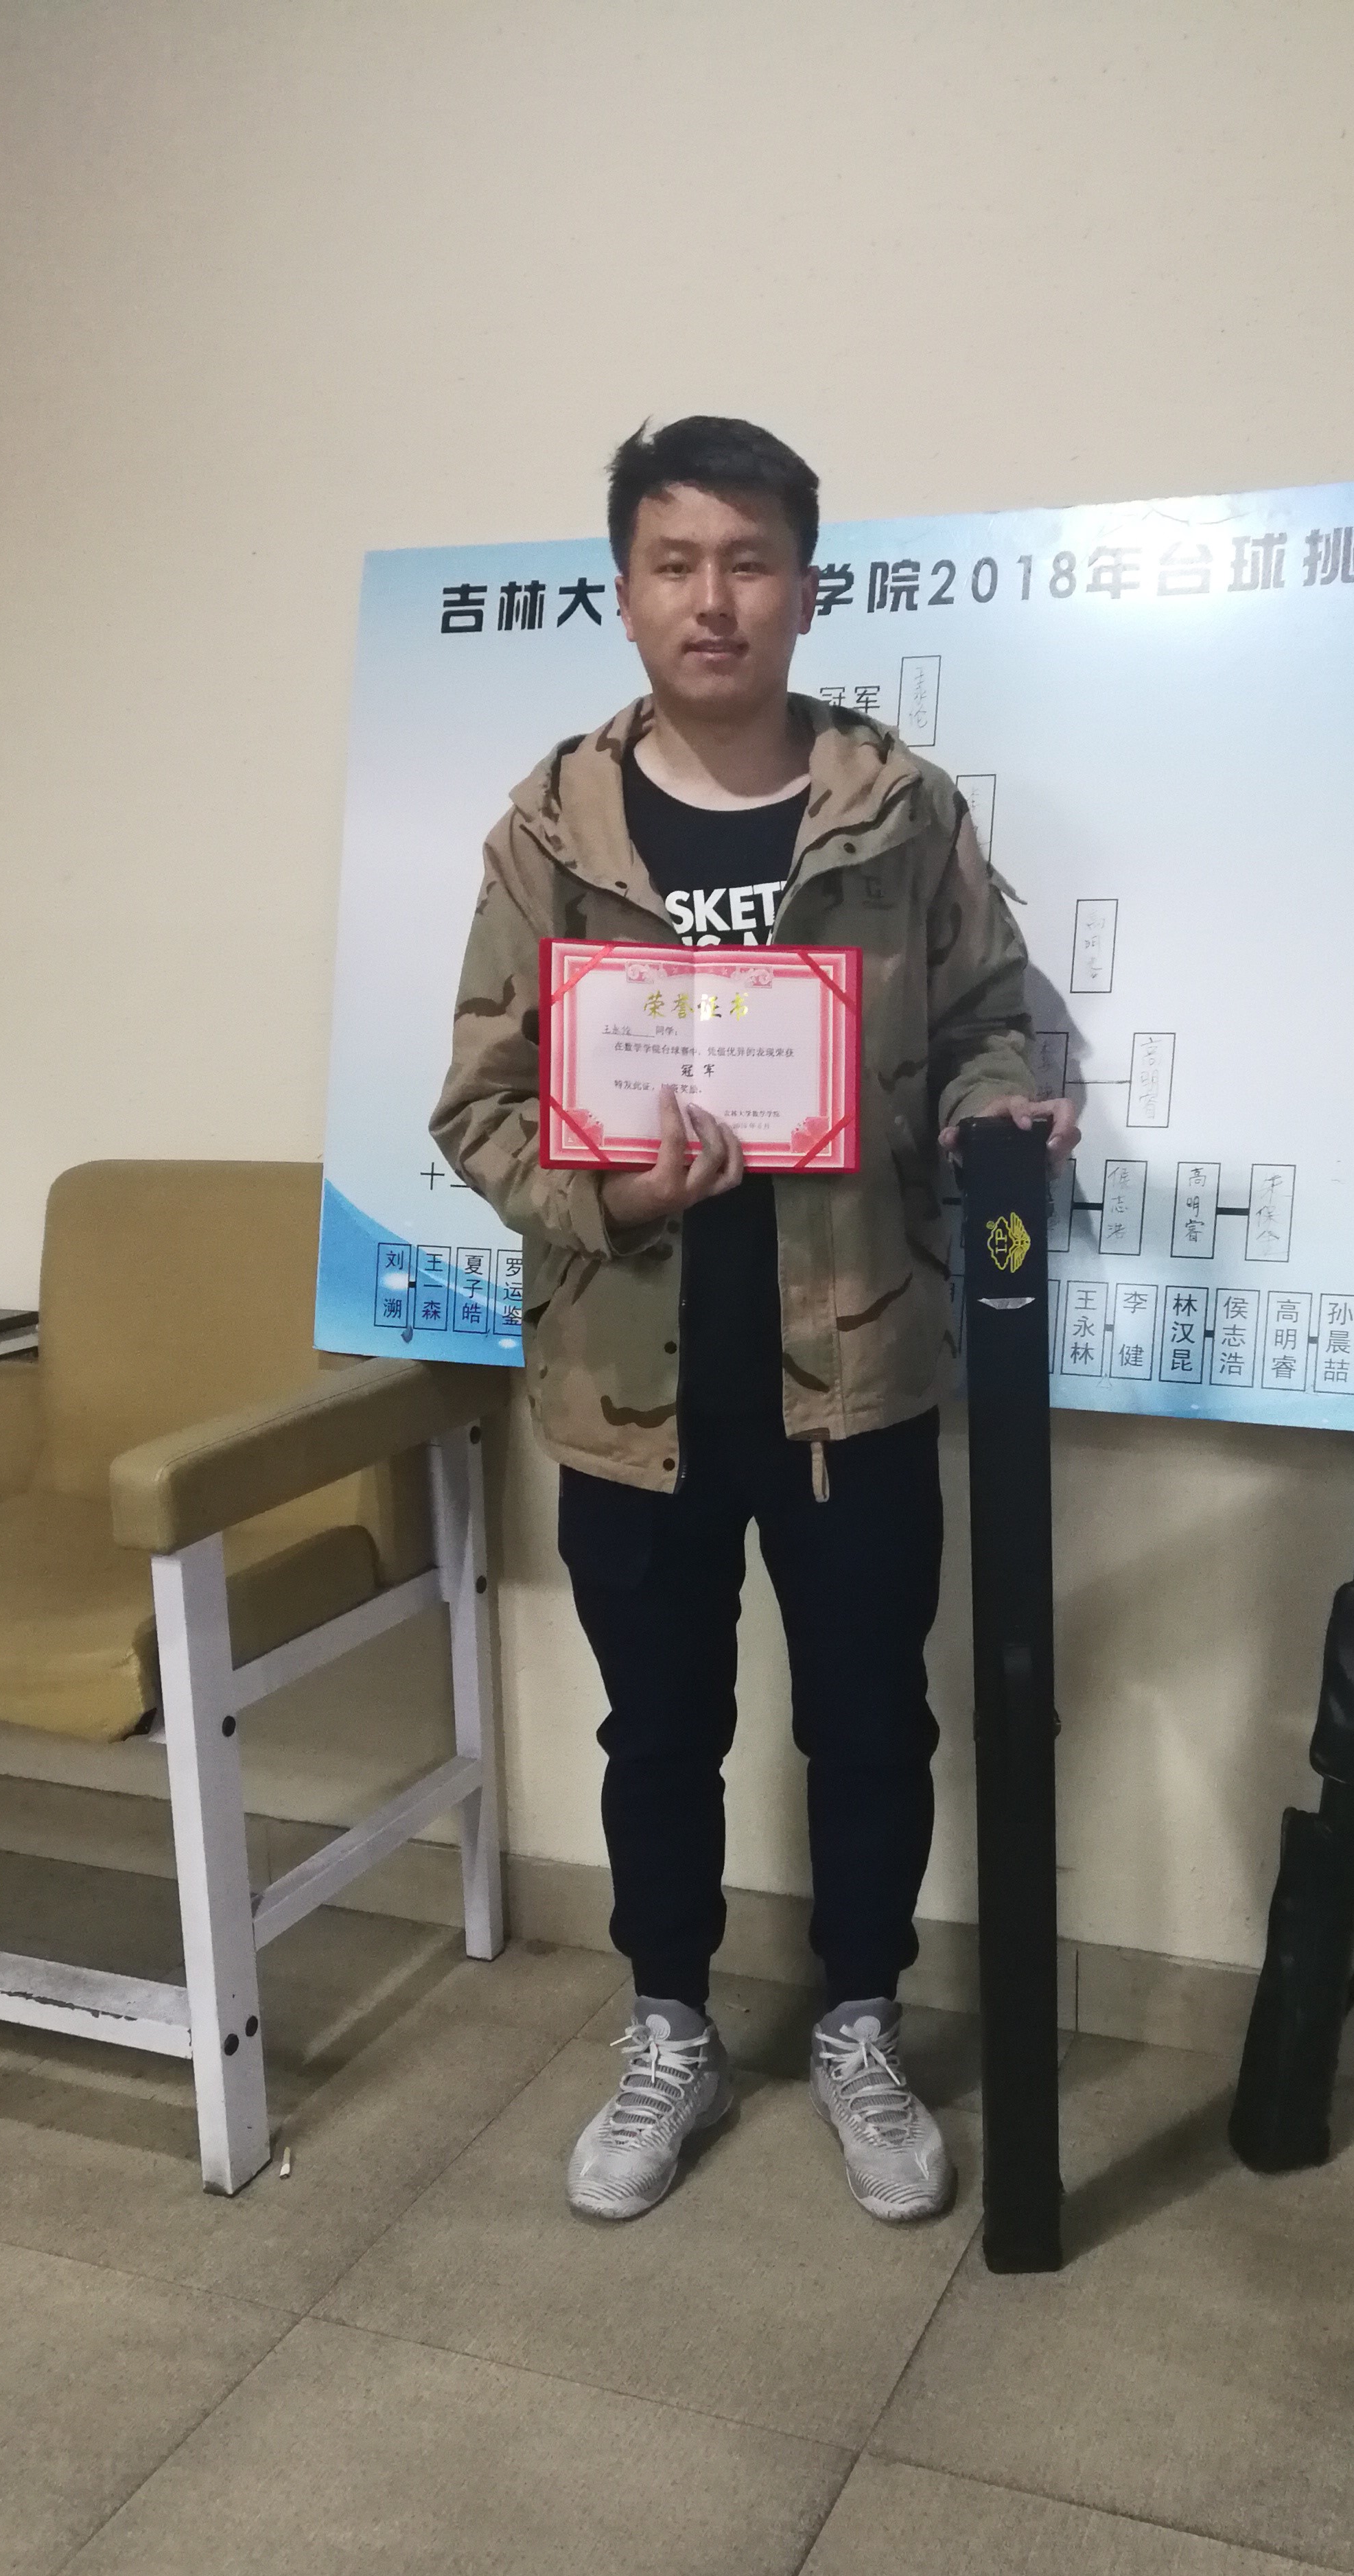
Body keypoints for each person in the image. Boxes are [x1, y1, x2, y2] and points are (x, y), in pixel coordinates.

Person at [431, 415, 1078, 2225]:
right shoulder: (549, 831)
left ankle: (862, 2023)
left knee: (872, 1725)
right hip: (626, 1379)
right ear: (624, 591)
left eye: (748, 561)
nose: (712, 599)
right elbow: (480, 1105)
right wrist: (612, 1201)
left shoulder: (899, 813)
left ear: (806, 585)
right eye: (675, 563)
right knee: (657, 1733)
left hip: (853, 1367)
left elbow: (992, 1026)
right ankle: (670, 2026)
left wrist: (1000, 1115)